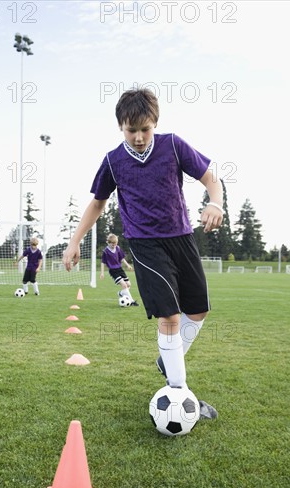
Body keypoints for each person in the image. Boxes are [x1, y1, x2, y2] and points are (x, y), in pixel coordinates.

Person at [63, 88, 224, 420]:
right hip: (145, 245)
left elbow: (211, 177)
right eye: (130, 130)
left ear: (155, 123)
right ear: (121, 127)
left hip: (181, 239)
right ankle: (180, 394)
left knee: (198, 312)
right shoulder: (112, 161)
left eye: (144, 129)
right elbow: (97, 204)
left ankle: (168, 359)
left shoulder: (173, 145)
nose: (138, 137)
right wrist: (74, 241)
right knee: (170, 317)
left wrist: (215, 202)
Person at [100, 233, 139, 306]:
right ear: (108, 242)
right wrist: (102, 273)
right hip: (113, 271)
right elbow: (103, 262)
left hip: (120, 269)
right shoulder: (105, 251)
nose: (114, 245)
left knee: (128, 284)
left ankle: (121, 293)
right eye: (112, 243)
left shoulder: (117, 248)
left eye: (115, 243)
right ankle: (132, 301)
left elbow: (122, 258)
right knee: (124, 285)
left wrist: (128, 265)